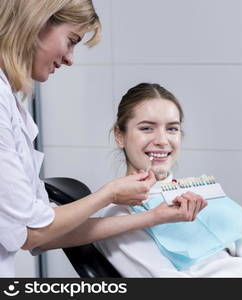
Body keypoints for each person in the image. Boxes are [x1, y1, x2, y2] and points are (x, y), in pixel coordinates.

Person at [0, 0, 206, 277]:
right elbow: (33, 233)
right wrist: (109, 194)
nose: (71, 58)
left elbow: (40, 231)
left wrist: (155, 217)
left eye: (172, 128)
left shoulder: (11, 104)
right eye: (71, 40)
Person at [95, 83, 242, 277]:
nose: (162, 140)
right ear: (119, 135)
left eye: (172, 128)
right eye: (146, 128)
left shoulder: (200, 191)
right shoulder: (119, 218)